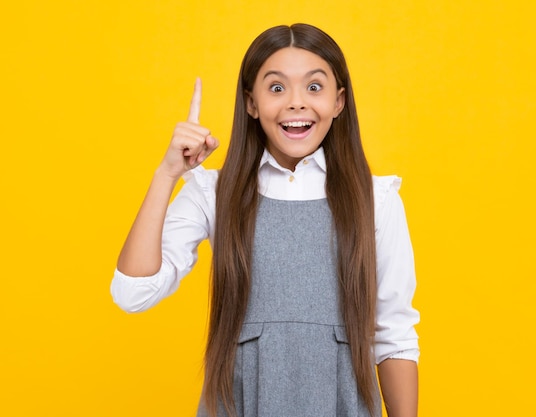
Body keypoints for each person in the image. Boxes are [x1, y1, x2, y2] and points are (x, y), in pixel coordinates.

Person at [111, 23, 420, 417]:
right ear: (251, 103)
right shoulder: (214, 193)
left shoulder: (376, 200)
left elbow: (393, 335)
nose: (295, 103)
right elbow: (132, 293)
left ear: (339, 101)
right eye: (276, 88)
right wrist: (166, 174)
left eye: (314, 87)